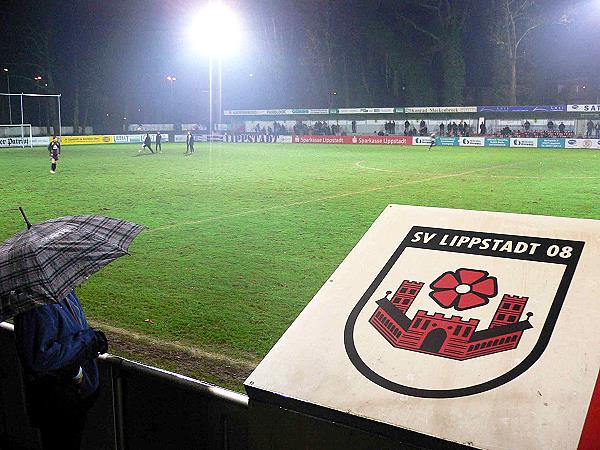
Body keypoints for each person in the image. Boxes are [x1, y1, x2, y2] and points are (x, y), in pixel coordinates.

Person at [13, 291, 108, 450]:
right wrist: (90, 340)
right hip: (59, 403)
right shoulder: (33, 305)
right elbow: (40, 361)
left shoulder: (61, 292)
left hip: (75, 395)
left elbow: (71, 329)